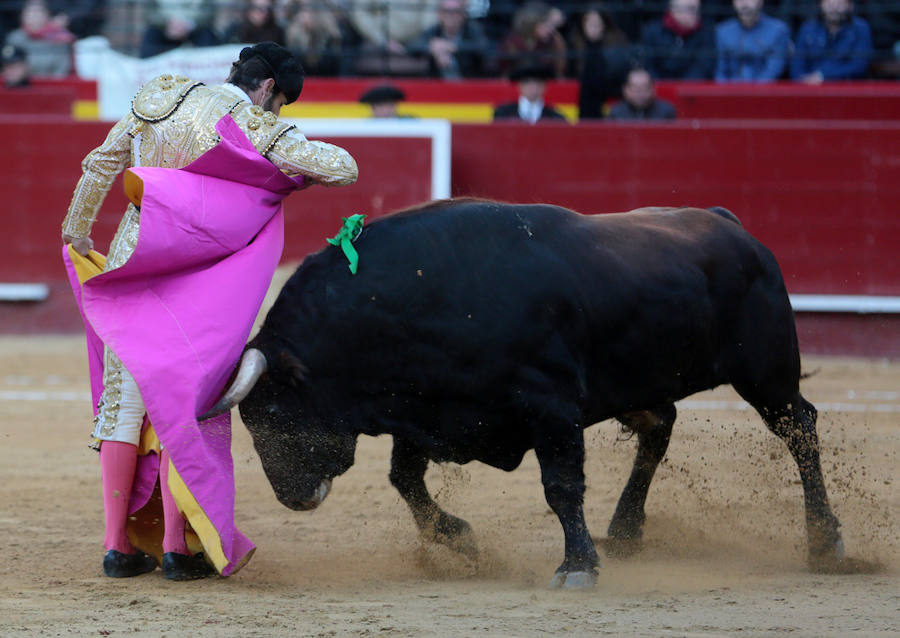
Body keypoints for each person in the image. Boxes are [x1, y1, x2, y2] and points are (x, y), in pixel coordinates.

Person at [61, 42, 358, 580]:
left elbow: (102, 161)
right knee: (187, 403)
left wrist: (77, 231)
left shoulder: (163, 96)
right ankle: (177, 548)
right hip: (201, 282)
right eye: (282, 101)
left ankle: (115, 548)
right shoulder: (257, 126)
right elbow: (343, 168)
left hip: (135, 260)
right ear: (267, 87)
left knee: (123, 404)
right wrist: (293, 169)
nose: (279, 112)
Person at [572, 3, 635, 120]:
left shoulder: (617, 43)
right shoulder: (575, 43)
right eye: (589, 23)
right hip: (584, 101)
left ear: (604, 24)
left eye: (597, 23)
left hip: (609, 96)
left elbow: (619, 73)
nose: (593, 28)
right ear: (582, 24)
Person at [791, 0, 873, 82]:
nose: (834, 8)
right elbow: (797, 68)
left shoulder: (861, 28)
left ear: (850, 6)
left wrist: (823, 76)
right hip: (811, 89)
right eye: (829, 3)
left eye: (840, 3)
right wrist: (804, 81)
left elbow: (859, 66)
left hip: (847, 88)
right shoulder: (807, 29)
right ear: (820, 5)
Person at [407, 0, 490, 79]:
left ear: (463, 15)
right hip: (438, 85)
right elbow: (412, 47)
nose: (450, 15)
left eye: (455, 12)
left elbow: (483, 48)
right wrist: (432, 48)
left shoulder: (472, 29)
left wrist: (451, 47)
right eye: (446, 11)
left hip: (470, 83)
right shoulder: (434, 30)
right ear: (439, 14)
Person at [715, 0, 791, 81]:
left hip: (766, 91)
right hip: (730, 91)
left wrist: (752, 92)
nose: (744, 3)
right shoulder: (723, 31)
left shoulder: (779, 30)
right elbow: (721, 72)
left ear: (761, 2)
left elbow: (772, 72)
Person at [640, 0, 716, 79]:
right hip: (657, 87)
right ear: (674, 10)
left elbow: (704, 66)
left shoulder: (706, 31)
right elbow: (648, 65)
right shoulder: (652, 31)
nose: (696, 14)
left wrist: (684, 88)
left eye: (698, 9)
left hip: (690, 88)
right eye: (691, 9)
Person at [4, 0, 74, 77]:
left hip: (52, 85)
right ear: (22, 16)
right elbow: (10, 68)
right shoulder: (15, 38)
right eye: (30, 12)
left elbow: (62, 68)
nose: (34, 16)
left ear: (47, 15)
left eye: (39, 12)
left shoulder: (60, 38)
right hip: (23, 85)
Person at [497, 2, 567, 78]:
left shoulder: (554, 40)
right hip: (516, 82)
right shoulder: (512, 41)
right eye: (545, 25)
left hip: (545, 82)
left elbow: (559, 71)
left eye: (550, 25)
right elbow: (504, 71)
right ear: (532, 24)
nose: (550, 29)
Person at [282, 0, 344, 76]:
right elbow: (285, 17)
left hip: (323, 54)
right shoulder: (294, 7)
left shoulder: (323, 8)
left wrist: (315, 23)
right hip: (301, 56)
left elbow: (335, 33)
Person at [139, 0, 220, 58]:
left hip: (196, 29)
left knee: (208, 39)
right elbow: (150, 13)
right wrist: (167, 24)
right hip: (164, 29)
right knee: (150, 40)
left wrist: (189, 25)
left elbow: (209, 13)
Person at [493, 62, 567, 123]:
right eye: (527, 82)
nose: (533, 87)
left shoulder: (556, 118)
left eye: (538, 83)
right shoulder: (503, 114)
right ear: (520, 86)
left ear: (544, 87)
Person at [607, 67, 677, 120]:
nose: (640, 92)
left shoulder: (666, 111)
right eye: (635, 88)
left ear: (653, 89)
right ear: (626, 90)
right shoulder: (616, 113)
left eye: (645, 87)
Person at [221, 0, 286, 45]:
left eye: (268, 8)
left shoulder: (278, 32)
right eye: (259, 8)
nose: (264, 13)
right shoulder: (235, 31)